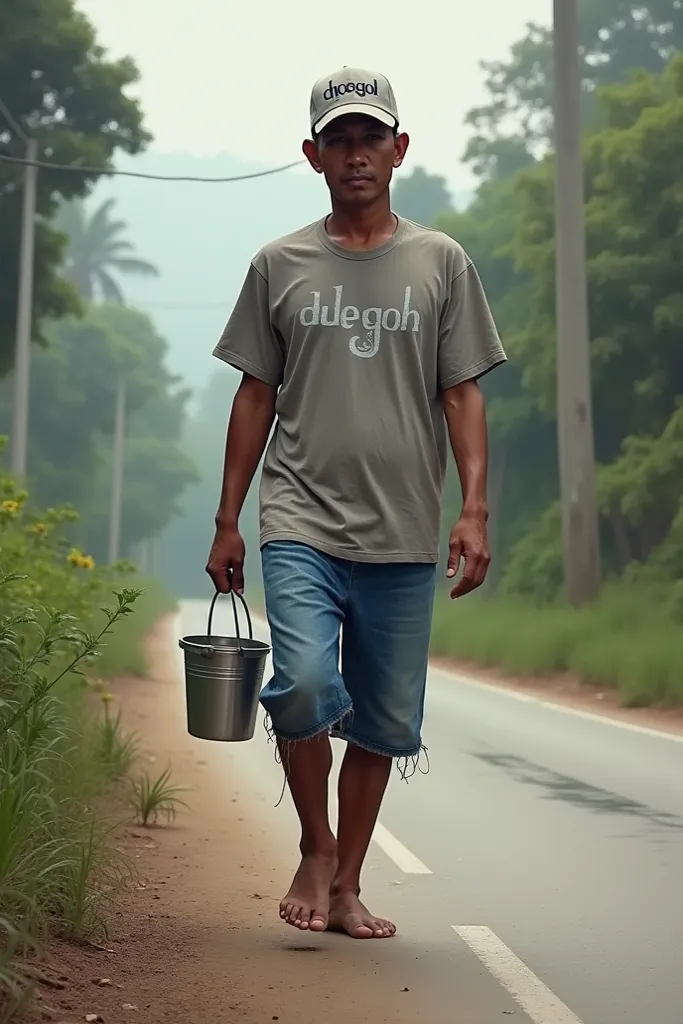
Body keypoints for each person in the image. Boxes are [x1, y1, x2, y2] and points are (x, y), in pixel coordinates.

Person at [206, 67, 506, 940]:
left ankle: (347, 887)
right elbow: (255, 393)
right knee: (302, 684)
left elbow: (462, 394)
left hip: (404, 528)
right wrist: (229, 517)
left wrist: (473, 508)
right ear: (312, 156)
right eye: (338, 138)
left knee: (378, 721)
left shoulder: (440, 262)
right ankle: (314, 845)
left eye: (371, 136)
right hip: (299, 518)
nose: (356, 153)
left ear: (399, 149)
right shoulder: (280, 264)